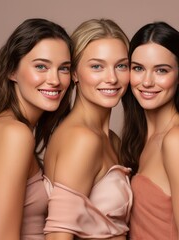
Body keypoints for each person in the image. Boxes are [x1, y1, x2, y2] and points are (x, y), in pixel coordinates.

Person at [0, 18, 73, 240]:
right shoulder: (14, 134)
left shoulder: (1, 127)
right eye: (41, 66)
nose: (55, 80)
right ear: (12, 71)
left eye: (64, 69)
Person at [43, 19, 132, 240]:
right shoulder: (82, 139)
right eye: (96, 66)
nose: (112, 78)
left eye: (121, 65)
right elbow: (58, 236)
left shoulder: (112, 139)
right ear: (74, 73)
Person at [120, 22, 179, 240]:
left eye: (161, 70)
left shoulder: (177, 139)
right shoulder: (139, 136)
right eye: (138, 68)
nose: (147, 82)